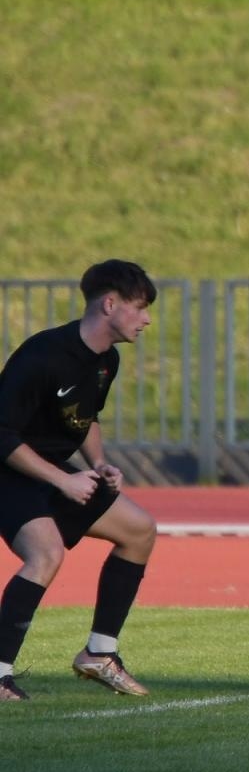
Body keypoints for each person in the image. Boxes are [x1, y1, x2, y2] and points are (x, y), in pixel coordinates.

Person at [0, 260, 161, 702]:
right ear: (110, 304)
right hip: (8, 472)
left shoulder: (106, 359)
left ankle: (99, 654)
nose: (146, 319)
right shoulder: (42, 355)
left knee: (139, 531)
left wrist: (99, 462)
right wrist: (64, 481)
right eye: (140, 307)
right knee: (45, 553)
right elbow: (1, 435)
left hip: (50, 471)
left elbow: (86, 418)